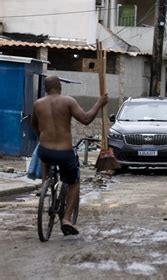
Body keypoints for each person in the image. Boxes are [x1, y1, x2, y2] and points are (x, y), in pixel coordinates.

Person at [32, 76, 108, 235]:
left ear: (45, 89)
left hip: (45, 151)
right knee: (74, 182)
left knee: (43, 153)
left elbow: (35, 126)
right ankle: (66, 219)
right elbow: (86, 119)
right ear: (60, 87)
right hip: (64, 152)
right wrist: (99, 103)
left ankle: (45, 182)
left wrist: (43, 137)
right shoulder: (68, 101)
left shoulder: (38, 104)